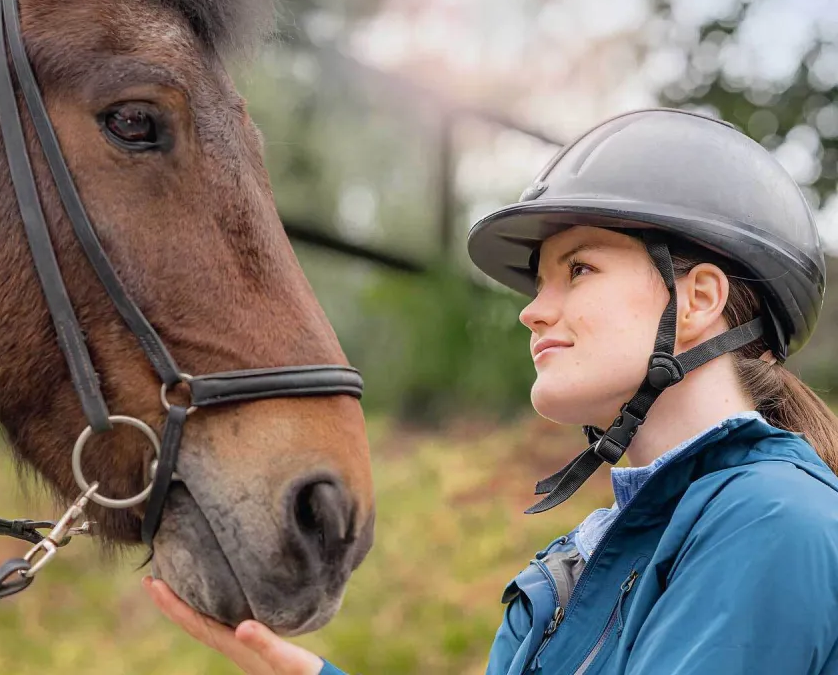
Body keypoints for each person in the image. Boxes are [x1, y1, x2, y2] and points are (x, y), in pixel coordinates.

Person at [143, 108, 838, 674]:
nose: (532, 311)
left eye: (580, 269)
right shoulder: (595, 550)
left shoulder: (772, 520)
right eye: (540, 283)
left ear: (699, 301)